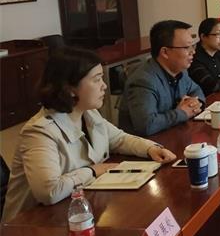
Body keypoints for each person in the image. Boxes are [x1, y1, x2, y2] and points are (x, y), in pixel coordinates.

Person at [3, 47, 176, 221]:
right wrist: (92, 171)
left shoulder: (88, 113)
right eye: (97, 79)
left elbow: (119, 139)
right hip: (32, 225)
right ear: (70, 88)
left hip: (77, 208)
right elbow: (49, 191)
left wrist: (151, 149)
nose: (104, 85)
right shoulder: (39, 132)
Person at [119, 20, 205, 136]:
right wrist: (182, 113)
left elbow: (196, 90)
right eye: (186, 47)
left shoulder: (181, 71)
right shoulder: (143, 80)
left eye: (193, 46)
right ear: (165, 52)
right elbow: (147, 125)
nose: (193, 52)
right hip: (148, 144)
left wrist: (195, 103)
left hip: (173, 135)